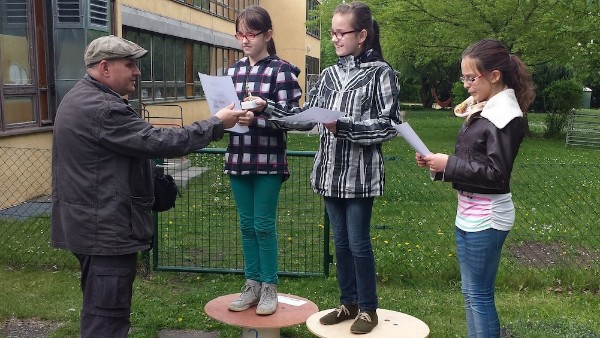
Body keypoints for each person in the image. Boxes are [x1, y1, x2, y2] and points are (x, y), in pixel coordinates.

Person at [51, 35, 245, 338]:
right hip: (106, 230)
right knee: (107, 319)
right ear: (104, 68)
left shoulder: (82, 98)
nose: (137, 72)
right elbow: (160, 141)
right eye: (130, 65)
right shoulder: (103, 108)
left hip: (92, 225)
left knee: (101, 309)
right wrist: (217, 123)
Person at [251, 2, 400, 333]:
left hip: (360, 177)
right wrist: (267, 108)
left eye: (340, 32)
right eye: (331, 32)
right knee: (341, 243)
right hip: (330, 173)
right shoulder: (329, 75)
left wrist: (344, 126)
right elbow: (304, 117)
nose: (334, 38)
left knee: (359, 243)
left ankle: (368, 309)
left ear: (362, 35)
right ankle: (347, 303)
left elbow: (389, 125)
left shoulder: (381, 73)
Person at [416, 38, 535, 338]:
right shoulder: (482, 110)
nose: (466, 85)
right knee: (470, 294)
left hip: (488, 218)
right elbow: (473, 163)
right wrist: (439, 167)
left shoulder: (505, 117)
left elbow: (496, 175)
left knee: (479, 296)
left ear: (494, 76)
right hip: (468, 215)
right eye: (464, 77)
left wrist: (450, 165)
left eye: (471, 77)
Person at [224, 5, 302, 316]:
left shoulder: (282, 71)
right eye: (240, 34)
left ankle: (270, 286)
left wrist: (260, 111)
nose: (245, 40)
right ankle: (252, 284)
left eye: (251, 34)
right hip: (237, 157)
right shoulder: (231, 71)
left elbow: (296, 120)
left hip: (268, 161)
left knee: (263, 225)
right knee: (245, 225)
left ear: (267, 34)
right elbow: (224, 111)